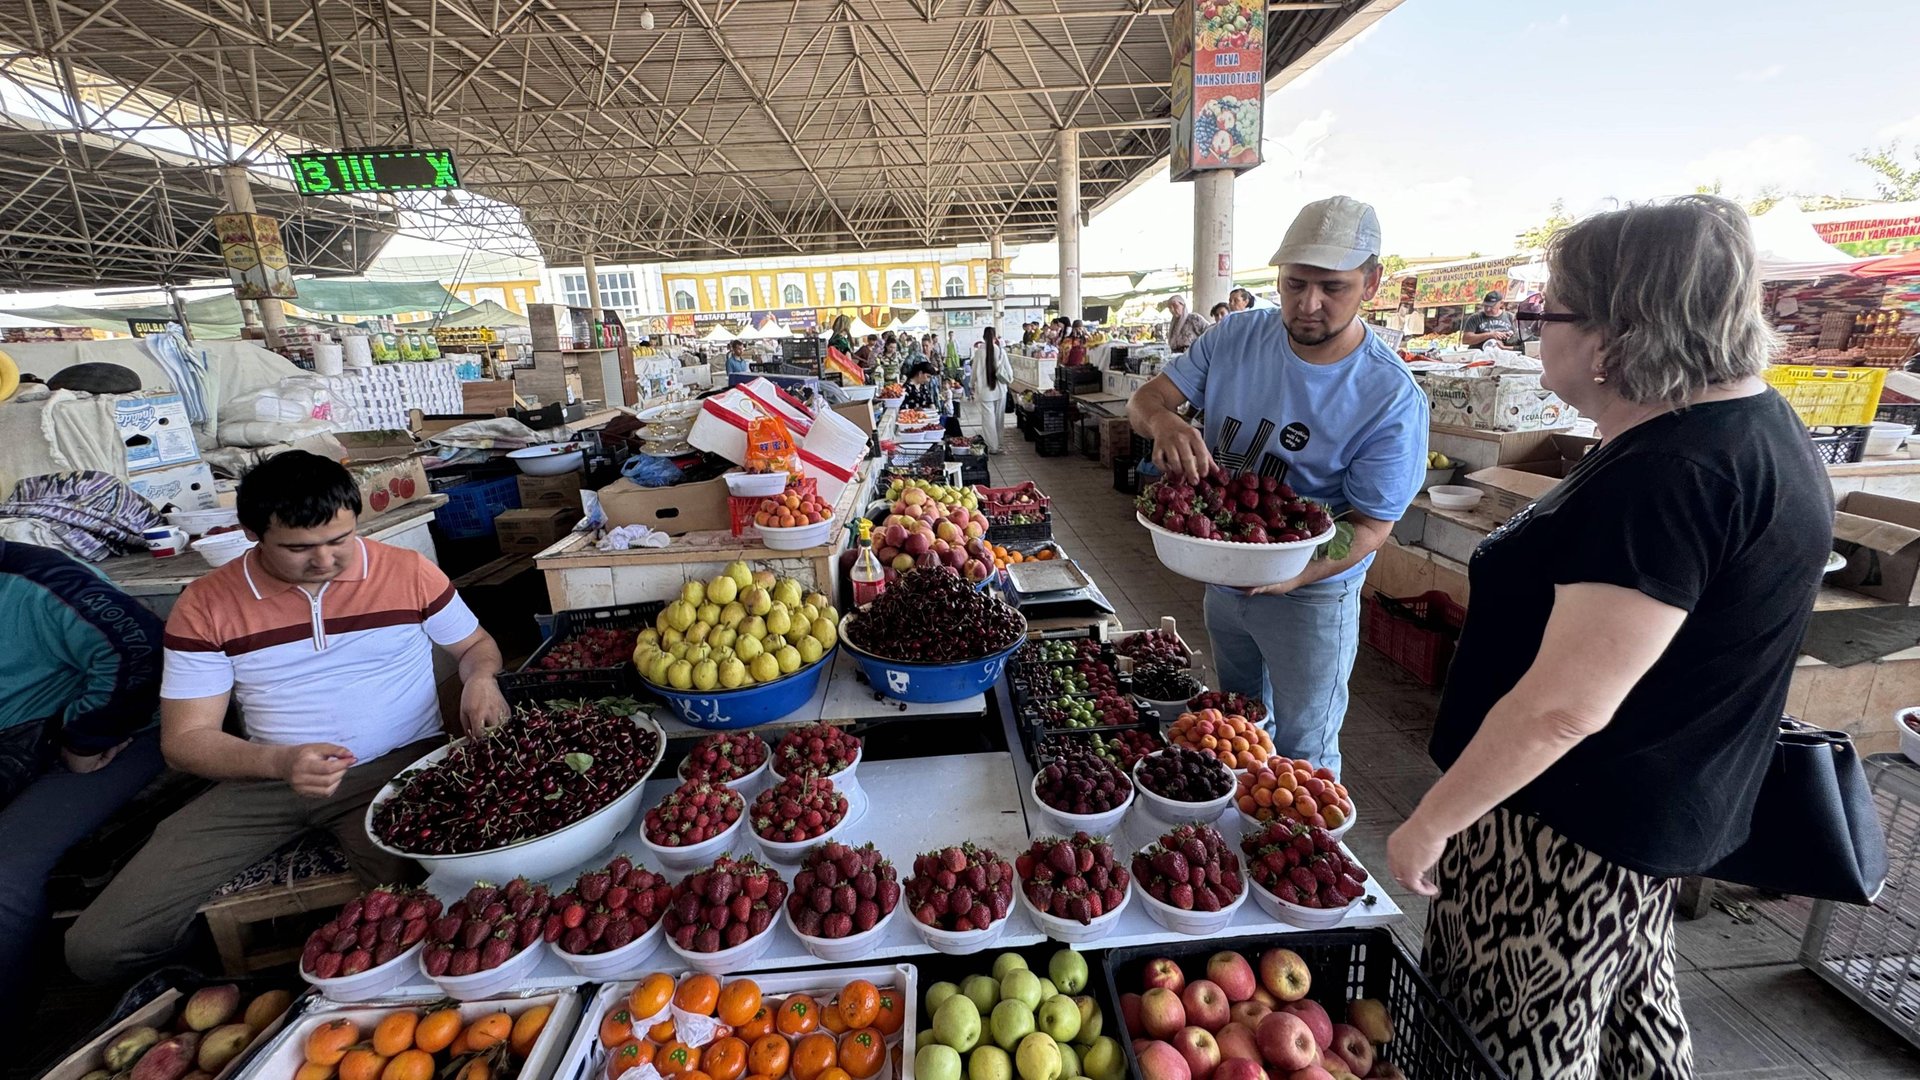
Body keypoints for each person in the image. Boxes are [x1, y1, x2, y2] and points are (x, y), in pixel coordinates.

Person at [1386, 197, 1829, 1080]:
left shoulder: (1672, 475)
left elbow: (1563, 708)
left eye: (1546, 312)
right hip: (1645, 820)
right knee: (1630, 1021)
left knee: (1508, 1043)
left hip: (1564, 831)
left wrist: (1432, 823)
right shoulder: (1753, 430)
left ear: (1615, 332)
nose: (1533, 331)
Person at [66, 450, 512, 983]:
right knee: (98, 948)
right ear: (252, 533)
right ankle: (222, 994)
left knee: (432, 919)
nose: (325, 561)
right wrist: (280, 762)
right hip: (263, 780)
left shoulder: (408, 572)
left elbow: (477, 646)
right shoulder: (208, 603)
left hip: (399, 772)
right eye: (299, 549)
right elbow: (185, 741)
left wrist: (480, 678)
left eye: (339, 540)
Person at [1128, 196, 1427, 777]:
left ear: (1371, 281)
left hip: (1312, 595)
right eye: (1294, 285)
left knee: (1303, 751)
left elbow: (1370, 525)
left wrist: (1297, 573)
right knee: (1235, 725)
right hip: (1224, 573)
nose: (1308, 305)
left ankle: (1305, 849)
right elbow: (1149, 398)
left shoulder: (1388, 398)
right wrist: (1165, 421)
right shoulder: (1234, 337)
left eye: (1332, 288)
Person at [0, 541, 165, 1016]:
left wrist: (86, 736)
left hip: (106, 738)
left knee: (6, 873)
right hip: (13, 749)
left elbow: (139, 649)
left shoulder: (39, 578)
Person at [970, 326, 1013, 454]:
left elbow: (974, 372)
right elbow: (1009, 372)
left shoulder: (978, 353)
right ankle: (999, 445)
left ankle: (992, 447)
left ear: (983, 338)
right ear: (995, 337)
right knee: (999, 419)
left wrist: (971, 385)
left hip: (985, 392)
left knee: (988, 420)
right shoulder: (1000, 352)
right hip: (1000, 391)